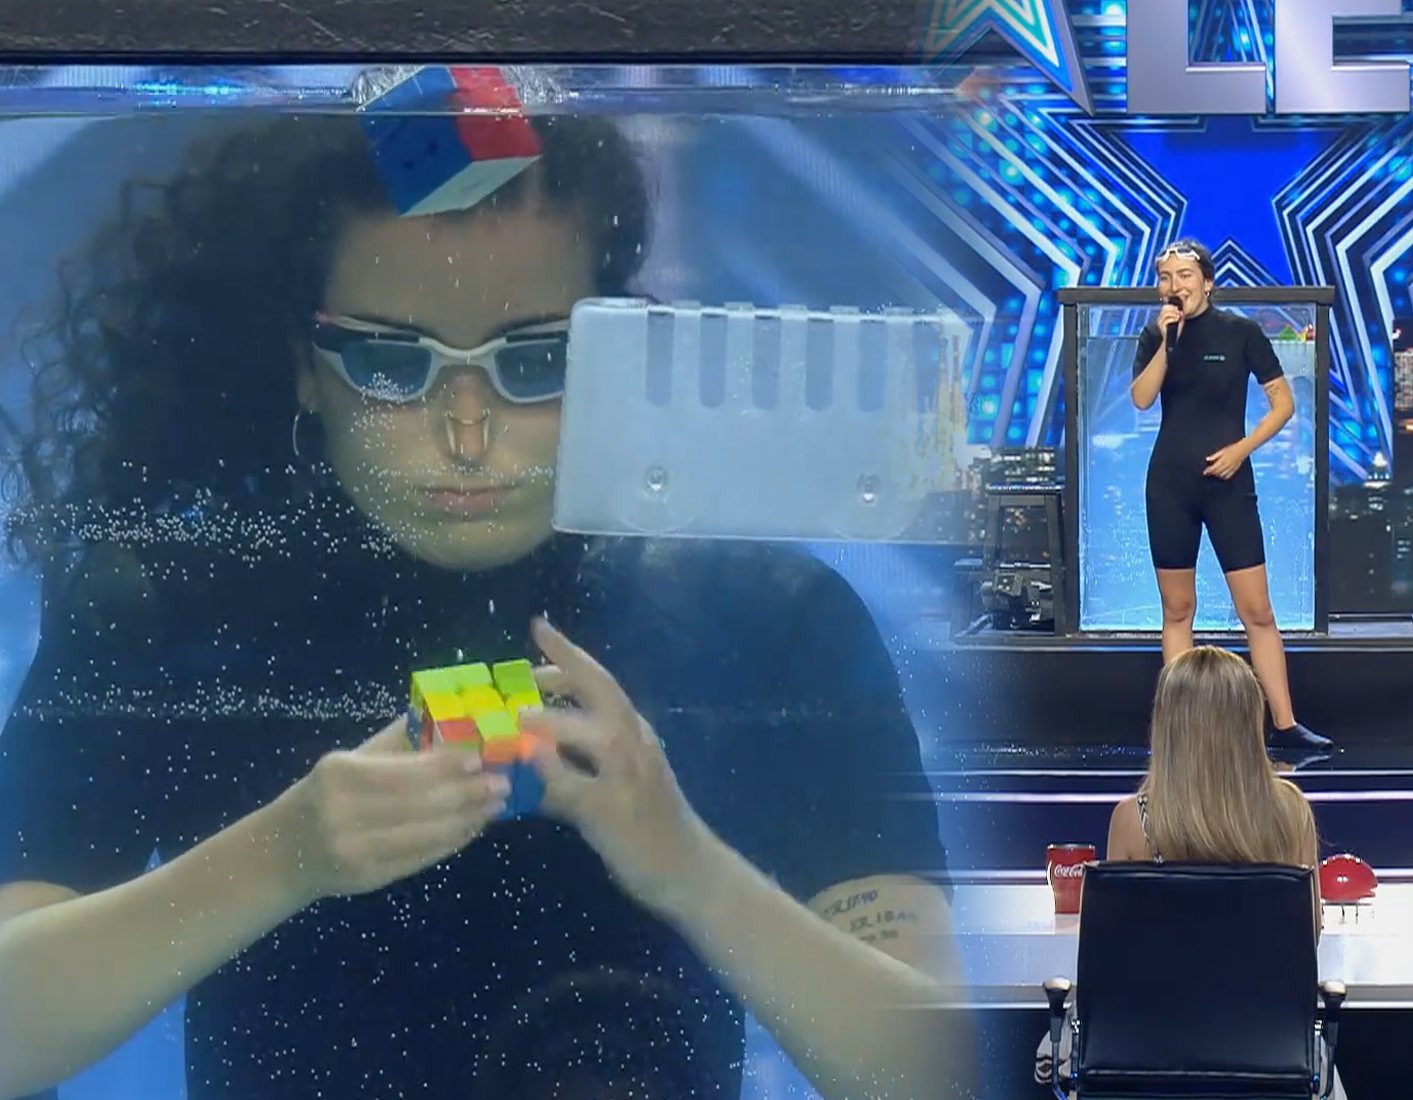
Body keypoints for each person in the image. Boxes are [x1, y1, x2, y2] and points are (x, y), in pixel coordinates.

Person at [0, 109, 968, 1100]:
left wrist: (688, 866)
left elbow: (930, 1076)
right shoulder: (167, 609)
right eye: (391, 362)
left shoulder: (767, 617)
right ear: (302, 363)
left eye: (534, 360)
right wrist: (277, 858)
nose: (466, 433)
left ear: (612, 352)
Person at [1037, 645, 1323, 1086]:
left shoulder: (1133, 821)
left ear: (1165, 725)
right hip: (1268, 1061)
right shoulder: (1291, 813)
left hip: (1145, 1063)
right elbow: (1308, 939)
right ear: (1251, 722)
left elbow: (1113, 959)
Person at [1129, 240, 1327, 751]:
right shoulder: (1155, 334)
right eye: (1166, 276)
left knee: (1256, 610)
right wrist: (1166, 344)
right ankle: (1178, 730)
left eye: (1185, 275)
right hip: (1169, 484)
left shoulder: (1241, 333)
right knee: (1177, 610)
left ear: (1208, 281)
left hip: (1228, 483)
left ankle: (1284, 724)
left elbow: (1282, 405)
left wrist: (1241, 450)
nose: (1175, 285)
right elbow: (1142, 398)